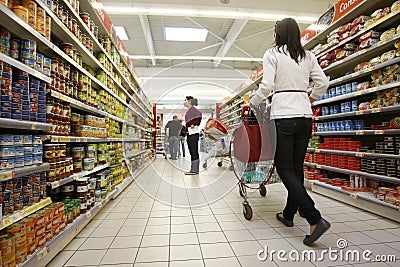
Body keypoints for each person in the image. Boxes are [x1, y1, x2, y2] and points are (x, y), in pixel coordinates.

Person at [250, 18, 330, 245]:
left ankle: (314, 218)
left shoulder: (272, 54)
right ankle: (288, 214)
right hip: (305, 116)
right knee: (296, 167)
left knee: (284, 168)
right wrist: (308, 98)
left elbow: (266, 86)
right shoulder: (308, 55)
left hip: (283, 115)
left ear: (278, 34)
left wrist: (254, 103)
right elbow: (322, 83)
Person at [184, 96, 202, 175]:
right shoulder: (190, 110)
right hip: (190, 133)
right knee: (192, 151)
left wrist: (195, 124)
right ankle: (194, 169)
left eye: (185, 100)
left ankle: (194, 170)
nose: (184, 102)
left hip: (193, 133)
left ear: (189, 101)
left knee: (193, 151)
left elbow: (199, 114)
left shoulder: (192, 109)